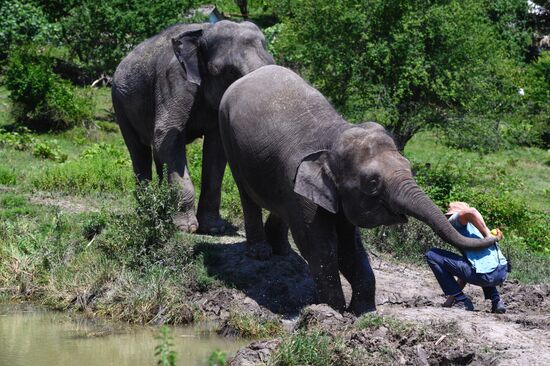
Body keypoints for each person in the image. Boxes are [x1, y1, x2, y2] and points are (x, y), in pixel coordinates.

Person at [425, 202, 509, 313]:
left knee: (432, 255)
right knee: (481, 265)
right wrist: (450, 300)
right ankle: (497, 300)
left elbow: (471, 212)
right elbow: (465, 271)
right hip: (502, 272)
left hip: (485, 276)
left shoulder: (454, 220)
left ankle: (462, 301)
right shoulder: (475, 227)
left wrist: (488, 237)